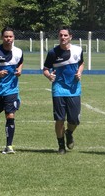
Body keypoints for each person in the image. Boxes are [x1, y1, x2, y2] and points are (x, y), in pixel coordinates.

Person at [43, 27, 84, 155]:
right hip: (59, 89)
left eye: (65, 35)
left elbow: (81, 63)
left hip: (74, 89)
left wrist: (79, 72)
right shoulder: (53, 53)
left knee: (74, 120)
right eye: (61, 35)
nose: (63, 37)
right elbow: (45, 69)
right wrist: (49, 75)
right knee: (59, 119)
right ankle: (61, 146)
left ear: (70, 37)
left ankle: (69, 133)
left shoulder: (78, 50)